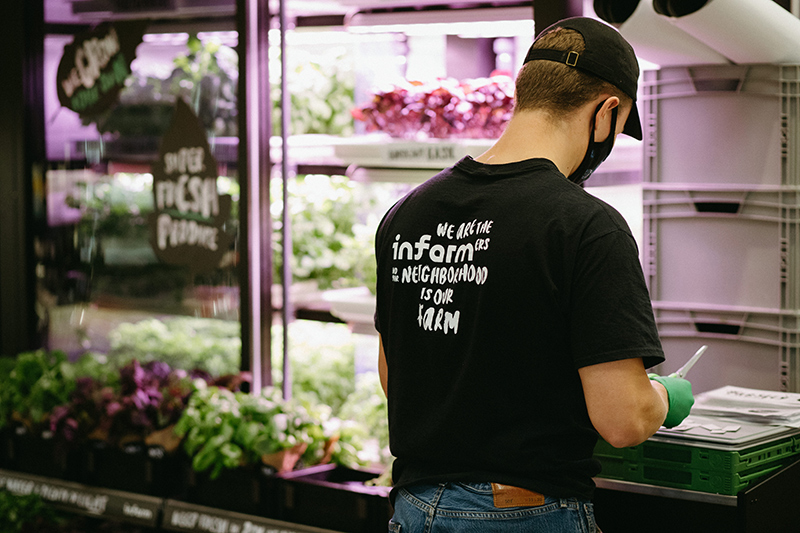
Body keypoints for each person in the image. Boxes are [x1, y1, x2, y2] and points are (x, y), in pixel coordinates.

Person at [373, 16, 695, 533]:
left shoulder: (407, 212)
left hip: (413, 510)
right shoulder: (586, 225)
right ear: (607, 112)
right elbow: (624, 420)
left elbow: (397, 378)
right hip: (526, 513)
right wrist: (662, 396)